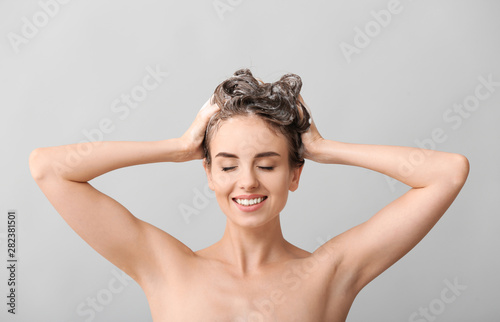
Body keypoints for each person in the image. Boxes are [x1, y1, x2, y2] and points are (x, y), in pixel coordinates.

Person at [29, 69, 469, 321]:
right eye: (227, 165)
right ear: (208, 173)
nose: (248, 182)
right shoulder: (166, 266)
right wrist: (179, 146)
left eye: (267, 164)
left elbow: (447, 173)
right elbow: (48, 168)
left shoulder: (328, 272)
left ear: (295, 174)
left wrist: (322, 148)